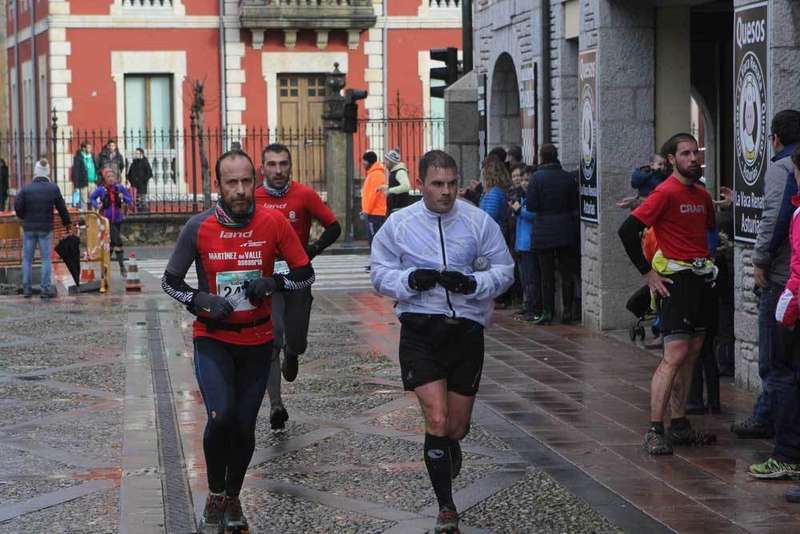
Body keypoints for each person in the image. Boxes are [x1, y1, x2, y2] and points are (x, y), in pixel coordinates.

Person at [161, 149, 314, 533]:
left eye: (247, 181)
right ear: (219, 186)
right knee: (221, 416)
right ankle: (215, 494)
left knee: (245, 426)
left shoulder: (273, 222)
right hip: (213, 339)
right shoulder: (197, 227)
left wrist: (273, 282)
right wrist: (200, 300)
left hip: (258, 341)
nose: (242, 189)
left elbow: (305, 274)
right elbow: (170, 281)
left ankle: (232, 497)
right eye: (232, 182)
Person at [370, 150, 514, 534]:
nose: (446, 192)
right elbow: (379, 272)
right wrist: (408, 281)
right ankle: (446, 509)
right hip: (420, 331)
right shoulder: (399, 224)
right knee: (436, 417)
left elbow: (505, 270)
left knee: (456, 427)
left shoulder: (477, 221)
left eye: (451, 184)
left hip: (466, 331)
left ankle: (450, 445)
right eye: (437, 184)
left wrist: (473, 283)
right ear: (420, 184)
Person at [618, 133, 717, 455]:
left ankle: (680, 423)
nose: (693, 158)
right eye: (685, 153)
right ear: (672, 159)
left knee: (692, 352)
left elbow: (709, 229)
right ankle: (654, 429)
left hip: (701, 281)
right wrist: (648, 273)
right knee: (674, 354)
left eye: (695, 152)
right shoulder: (664, 192)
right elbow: (627, 230)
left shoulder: (702, 195)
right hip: (676, 283)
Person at [255, 143, 341, 430]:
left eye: (283, 164)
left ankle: (293, 353)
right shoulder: (253, 197)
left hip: (297, 276)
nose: (278, 170)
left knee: (297, 340)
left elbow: (334, 226)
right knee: (272, 338)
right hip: (268, 279)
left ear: (290, 166)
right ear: (262, 168)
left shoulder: (304, 195)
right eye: (272, 164)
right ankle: (276, 405)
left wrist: (312, 249)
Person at [732, 109, 800, 440]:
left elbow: (774, 217)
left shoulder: (782, 167)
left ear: (775, 138)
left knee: (775, 360)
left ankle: (775, 428)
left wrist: (760, 260)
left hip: (782, 278)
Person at [526, 144, 579, 325]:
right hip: (566, 230)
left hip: (544, 231)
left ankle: (547, 312)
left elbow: (531, 205)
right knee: (566, 273)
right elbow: (574, 205)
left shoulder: (536, 178)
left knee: (546, 275)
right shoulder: (568, 178)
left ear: (542, 157)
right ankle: (567, 311)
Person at [14, 157, 72, 298]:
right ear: (47, 172)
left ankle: (26, 288)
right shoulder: (53, 188)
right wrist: (67, 223)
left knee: (27, 259)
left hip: (29, 228)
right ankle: (45, 288)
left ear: (36, 172)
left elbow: (18, 206)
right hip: (46, 228)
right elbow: (62, 208)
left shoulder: (26, 188)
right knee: (46, 258)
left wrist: (23, 217)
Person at [90, 165, 133, 276]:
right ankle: (122, 267)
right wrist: (97, 204)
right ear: (105, 178)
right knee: (117, 241)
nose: (110, 179)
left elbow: (129, 200)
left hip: (118, 220)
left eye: (112, 176)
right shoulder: (101, 189)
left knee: (112, 244)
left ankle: (105, 269)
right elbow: (92, 197)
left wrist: (123, 197)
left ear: (115, 178)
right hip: (106, 221)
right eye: (108, 177)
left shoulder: (120, 188)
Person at [509, 163, 537, 321]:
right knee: (525, 278)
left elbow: (533, 215)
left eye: (527, 180)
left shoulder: (533, 197)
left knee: (531, 279)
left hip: (529, 243)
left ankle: (533, 308)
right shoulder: (521, 196)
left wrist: (519, 210)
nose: (524, 183)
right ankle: (528, 305)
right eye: (523, 180)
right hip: (521, 242)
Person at [360, 151, 387, 247]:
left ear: (369, 161)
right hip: (373, 212)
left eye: (364, 161)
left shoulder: (376, 175)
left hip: (374, 213)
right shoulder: (373, 174)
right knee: (374, 239)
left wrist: (366, 211)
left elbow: (373, 195)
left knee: (374, 240)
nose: (363, 163)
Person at [380, 148, 411, 213]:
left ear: (391, 161)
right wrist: (385, 187)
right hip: (395, 208)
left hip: (399, 209)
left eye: (387, 160)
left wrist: (389, 190)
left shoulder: (400, 171)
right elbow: (395, 184)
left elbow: (406, 187)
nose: (385, 162)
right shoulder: (394, 171)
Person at [71, 141, 97, 208]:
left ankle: (94, 214)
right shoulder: (78, 158)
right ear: (83, 148)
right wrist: (76, 185)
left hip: (92, 182)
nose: (90, 149)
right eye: (88, 147)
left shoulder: (92, 156)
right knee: (84, 201)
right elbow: (76, 172)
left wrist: (97, 179)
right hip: (83, 182)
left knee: (93, 200)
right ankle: (84, 214)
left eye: (90, 147)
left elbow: (97, 168)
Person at [127, 147, 153, 212]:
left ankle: (145, 213)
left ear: (141, 154)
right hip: (134, 185)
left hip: (142, 185)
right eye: (135, 153)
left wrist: (144, 180)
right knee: (136, 201)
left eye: (137, 153)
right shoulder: (134, 163)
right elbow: (129, 174)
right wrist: (131, 181)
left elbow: (150, 173)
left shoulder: (145, 162)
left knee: (142, 200)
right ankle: (138, 213)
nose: (136, 155)